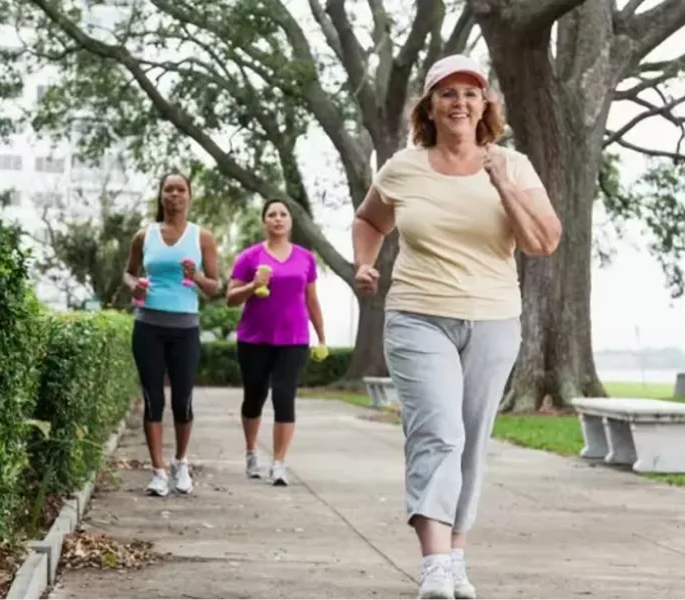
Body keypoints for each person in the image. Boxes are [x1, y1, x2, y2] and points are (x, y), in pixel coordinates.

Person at [351, 54, 562, 599]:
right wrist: (364, 263)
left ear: (485, 105)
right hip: (418, 316)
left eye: (471, 93)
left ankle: (455, 558)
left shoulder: (511, 166)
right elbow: (370, 219)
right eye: (448, 93)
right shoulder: (403, 166)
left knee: (471, 443)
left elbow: (544, 242)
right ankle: (434, 565)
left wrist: (502, 184)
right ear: (430, 105)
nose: (460, 102)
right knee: (438, 434)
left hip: (493, 320)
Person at [123, 172, 220, 497]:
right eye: (169, 189)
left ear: (189, 196)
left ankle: (181, 462)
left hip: (185, 329)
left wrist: (198, 276)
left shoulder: (202, 236)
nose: (175, 195)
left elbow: (214, 287)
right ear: (161, 195)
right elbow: (128, 273)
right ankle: (158, 471)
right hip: (147, 327)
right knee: (153, 399)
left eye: (181, 190)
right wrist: (133, 285)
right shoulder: (144, 235)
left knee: (182, 401)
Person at [225, 198, 326, 486]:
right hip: (254, 339)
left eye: (283, 214)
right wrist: (252, 285)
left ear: (290, 221)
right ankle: (250, 452)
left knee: (284, 399)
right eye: (272, 214)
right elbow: (231, 299)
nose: (278, 219)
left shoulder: (306, 258)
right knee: (254, 398)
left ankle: (279, 463)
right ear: (264, 222)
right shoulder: (249, 257)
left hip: (293, 339)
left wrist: (321, 335)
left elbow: (311, 299)